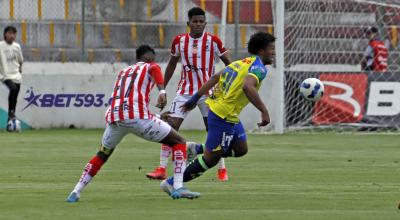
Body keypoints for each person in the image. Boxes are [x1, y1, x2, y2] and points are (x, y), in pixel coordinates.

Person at [66, 45, 200, 202]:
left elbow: (128, 101)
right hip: (137, 118)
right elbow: (155, 70)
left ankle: (76, 191)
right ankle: (178, 187)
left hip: (115, 119)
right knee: (179, 142)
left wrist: (156, 117)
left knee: (102, 154)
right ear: (149, 58)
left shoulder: (123, 72)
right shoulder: (150, 66)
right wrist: (162, 92)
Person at [160, 32, 275, 196]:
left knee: (241, 149)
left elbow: (216, 76)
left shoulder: (241, 63)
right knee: (212, 158)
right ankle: (170, 183)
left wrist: (196, 97)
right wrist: (264, 111)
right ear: (262, 50)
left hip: (226, 113)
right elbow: (247, 86)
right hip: (223, 116)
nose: (274, 52)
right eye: (271, 48)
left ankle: (195, 148)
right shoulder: (259, 68)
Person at [146, 7, 232, 181]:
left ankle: (222, 169)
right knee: (170, 127)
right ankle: (161, 168)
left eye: (201, 22)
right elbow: (171, 64)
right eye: (195, 21)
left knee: (213, 130)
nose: (198, 24)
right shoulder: (179, 41)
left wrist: (225, 86)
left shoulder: (213, 41)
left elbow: (229, 66)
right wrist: (162, 89)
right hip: (185, 92)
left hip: (209, 94)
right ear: (188, 23)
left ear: (205, 23)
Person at [0, 26, 23, 128]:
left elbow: (20, 60)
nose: (12, 35)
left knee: (15, 96)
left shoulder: (17, 46)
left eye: (14, 33)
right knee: (13, 89)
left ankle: (10, 123)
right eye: (10, 33)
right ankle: (11, 112)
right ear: (5, 34)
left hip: (16, 75)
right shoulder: (1, 45)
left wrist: (20, 69)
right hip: (5, 75)